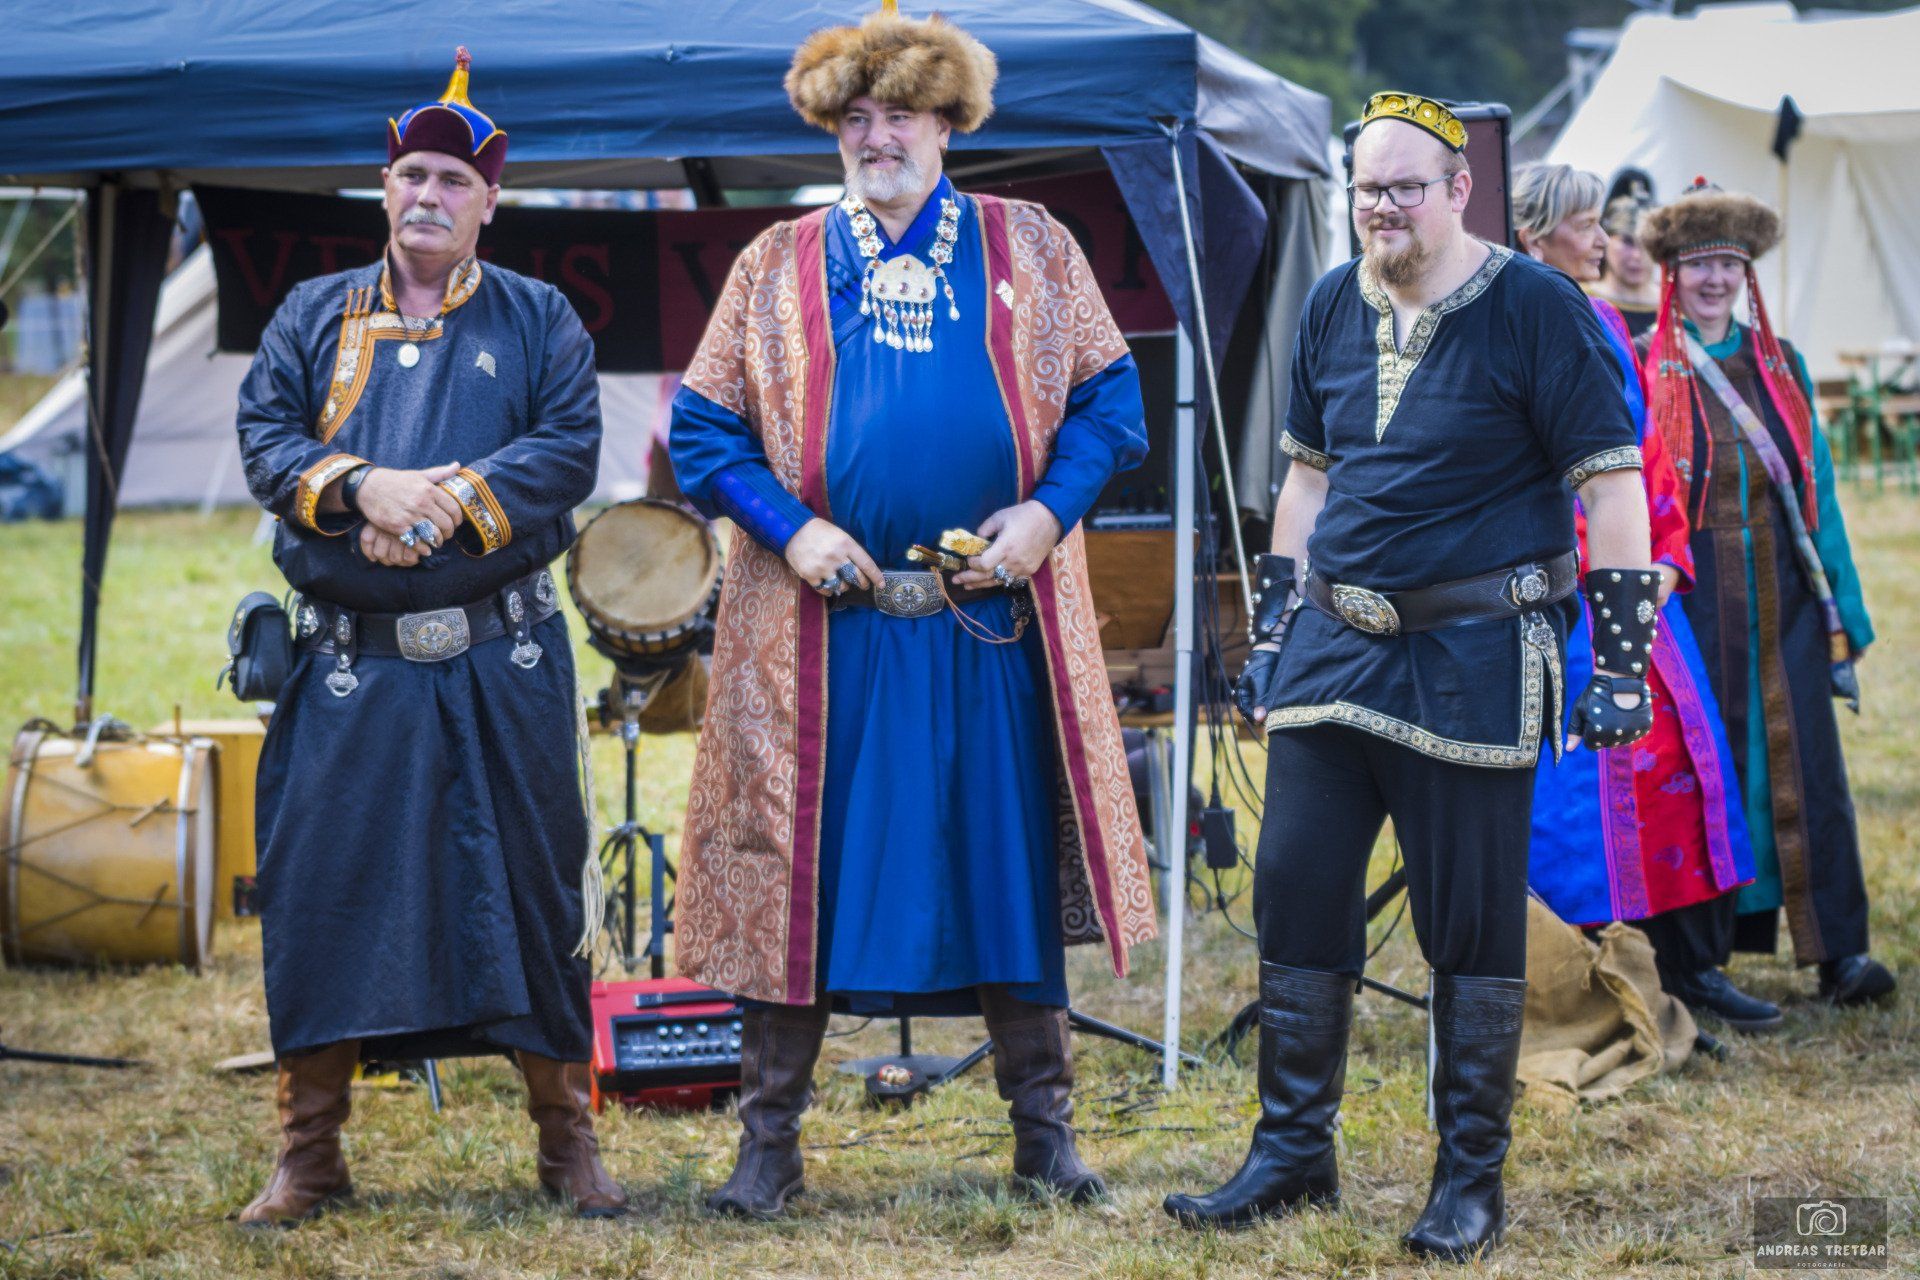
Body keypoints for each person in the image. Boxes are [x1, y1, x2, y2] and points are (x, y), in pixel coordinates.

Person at [667, 9, 1155, 1218]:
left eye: (899, 115)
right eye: (856, 118)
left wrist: (1046, 513)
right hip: (820, 634)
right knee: (800, 874)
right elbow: (704, 430)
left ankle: (1045, 1137)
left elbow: (1112, 401)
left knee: (1003, 865)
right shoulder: (773, 261)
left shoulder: (1030, 242)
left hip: (992, 625)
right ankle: (768, 1147)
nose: (876, 137)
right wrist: (793, 529)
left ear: (949, 123)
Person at [1164, 94, 1656, 1262]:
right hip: (1336, 646)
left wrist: (1623, 662)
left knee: (1468, 926)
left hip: (1476, 653)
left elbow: (1612, 485)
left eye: (1404, 187)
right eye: (1367, 190)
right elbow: (1307, 481)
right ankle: (1293, 1152)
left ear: (1459, 189)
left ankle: (1468, 1180)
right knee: (1294, 887)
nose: (1382, 208)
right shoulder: (1335, 300)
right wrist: (1274, 627)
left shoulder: (1539, 308)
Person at [233, 49, 623, 1226]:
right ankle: (311, 1153)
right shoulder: (313, 313)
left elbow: (568, 448)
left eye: (454, 180)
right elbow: (267, 438)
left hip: (503, 656)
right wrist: (364, 488)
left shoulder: (539, 316)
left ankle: (566, 1142)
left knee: (533, 885)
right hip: (349, 662)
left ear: (488, 201)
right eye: (412, 175)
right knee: (324, 887)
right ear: (385, 187)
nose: (429, 196)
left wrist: (443, 500)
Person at [1511, 163, 1771, 1032]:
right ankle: (1591, 983)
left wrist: (1662, 558)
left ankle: (1691, 969)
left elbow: (1644, 453)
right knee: (1581, 801)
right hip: (1563, 597)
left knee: (1684, 778)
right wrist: (1596, 567)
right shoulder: (1508, 322)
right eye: (1587, 223)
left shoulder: (1600, 319)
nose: (1605, 240)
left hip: (1640, 587)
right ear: (1534, 234)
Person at [1638, 178, 1894, 1007]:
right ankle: (1699, 958)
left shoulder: (1783, 366)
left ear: (1746, 272)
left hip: (1784, 600)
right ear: (1673, 271)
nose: (1714, 278)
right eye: (1699, 263)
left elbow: (1817, 491)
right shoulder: (1643, 364)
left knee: (1810, 770)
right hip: (1693, 603)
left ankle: (1838, 953)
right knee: (1707, 772)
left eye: (1729, 263)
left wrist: (1843, 613)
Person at [1592, 169, 1661, 337]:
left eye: (1647, 244)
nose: (1637, 255)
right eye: (1627, 242)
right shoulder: (1584, 301)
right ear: (1606, 239)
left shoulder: (1676, 305)